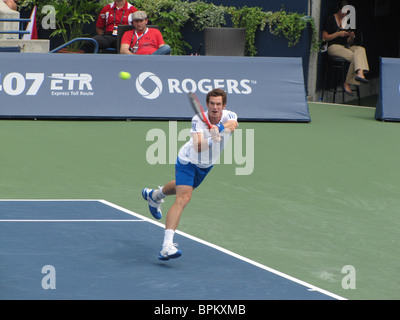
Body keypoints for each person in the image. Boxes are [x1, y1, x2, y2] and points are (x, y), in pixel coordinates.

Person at [142, 88, 238, 260]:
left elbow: (234, 125)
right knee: (183, 198)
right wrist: (212, 139)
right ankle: (167, 246)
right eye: (211, 104)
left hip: (206, 165)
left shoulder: (229, 116)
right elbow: (198, 146)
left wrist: (219, 128)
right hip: (188, 161)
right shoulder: (198, 120)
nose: (215, 107)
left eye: (218, 104)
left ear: (224, 106)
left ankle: (155, 195)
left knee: (183, 188)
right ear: (207, 104)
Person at [322, 0, 369, 96]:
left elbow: (349, 42)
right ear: (338, 10)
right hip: (333, 47)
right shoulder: (331, 19)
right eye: (343, 12)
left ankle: (360, 73)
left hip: (345, 46)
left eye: (346, 12)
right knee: (354, 57)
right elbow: (324, 37)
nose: (344, 14)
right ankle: (347, 83)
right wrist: (338, 34)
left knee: (360, 49)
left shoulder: (347, 20)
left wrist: (351, 36)